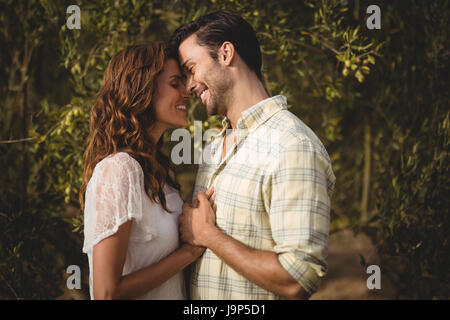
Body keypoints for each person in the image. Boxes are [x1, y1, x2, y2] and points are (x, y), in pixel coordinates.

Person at [171, 10, 336, 300]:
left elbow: (298, 278)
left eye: (191, 68)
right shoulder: (213, 149)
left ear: (225, 54)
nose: (188, 86)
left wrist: (208, 235)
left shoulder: (291, 145)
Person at [79, 43, 210, 300]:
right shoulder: (119, 170)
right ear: (143, 90)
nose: (187, 92)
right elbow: (107, 292)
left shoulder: (161, 173)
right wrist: (189, 252)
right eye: (175, 84)